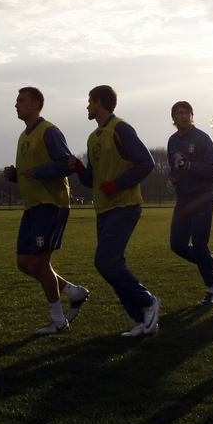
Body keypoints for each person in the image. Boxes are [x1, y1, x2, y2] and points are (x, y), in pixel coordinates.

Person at [69, 85, 159, 338]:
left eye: (90, 101)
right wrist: (79, 169)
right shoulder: (93, 137)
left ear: (99, 102)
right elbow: (92, 180)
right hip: (104, 209)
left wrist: (118, 184)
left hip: (125, 206)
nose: (87, 106)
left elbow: (146, 162)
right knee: (110, 264)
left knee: (105, 262)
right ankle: (143, 319)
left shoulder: (121, 129)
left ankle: (148, 302)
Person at [2, 86, 90, 335]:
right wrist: (14, 176)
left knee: (40, 262)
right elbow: (29, 173)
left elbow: (67, 163)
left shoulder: (48, 131)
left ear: (36, 104)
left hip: (51, 205)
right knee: (24, 263)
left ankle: (58, 320)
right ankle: (74, 292)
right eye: (17, 100)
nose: (16, 105)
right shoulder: (23, 136)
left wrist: (39, 171)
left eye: (22, 100)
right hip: (33, 207)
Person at [166, 100, 213, 304]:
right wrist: (172, 178)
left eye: (186, 112)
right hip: (183, 199)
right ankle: (208, 259)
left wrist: (189, 166)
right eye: (178, 113)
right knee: (177, 244)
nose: (182, 116)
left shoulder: (202, 138)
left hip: (202, 197)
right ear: (173, 118)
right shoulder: (172, 141)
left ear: (191, 116)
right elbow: (175, 167)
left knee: (199, 243)